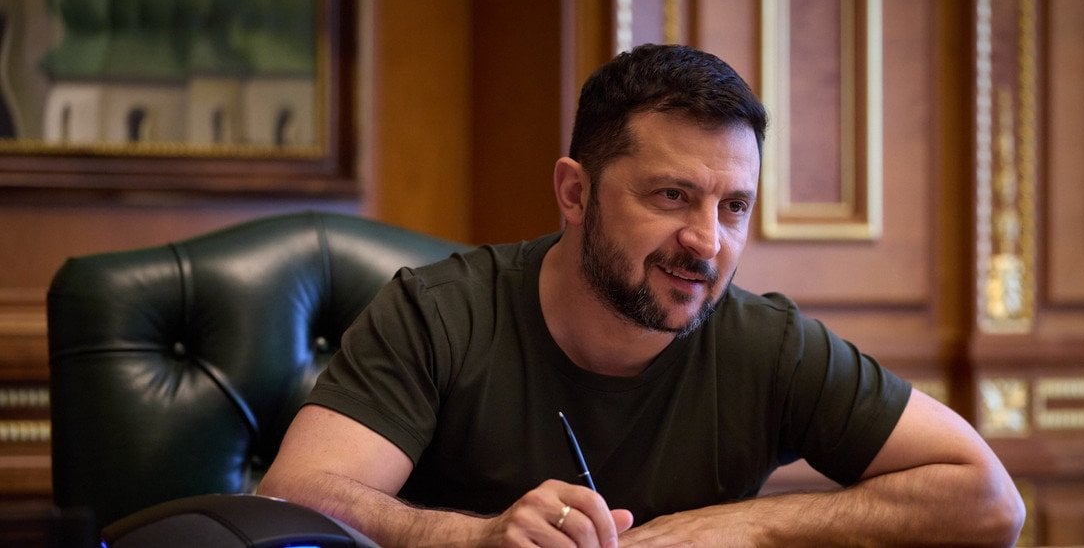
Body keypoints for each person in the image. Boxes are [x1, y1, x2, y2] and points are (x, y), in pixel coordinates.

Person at [257, 44, 1025, 546]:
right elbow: (290, 499)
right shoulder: (440, 313)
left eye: (734, 207)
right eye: (671, 196)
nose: (708, 241)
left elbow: (989, 501)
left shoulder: (767, 343)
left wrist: (741, 529)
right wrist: (479, 538)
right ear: (574, 192)